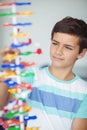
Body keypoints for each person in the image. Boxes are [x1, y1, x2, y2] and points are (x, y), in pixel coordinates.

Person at [0, 16, 87, 130]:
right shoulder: (32, 76)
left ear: (81, 53)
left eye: (68, 47)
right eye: (55, 43)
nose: (58, 51)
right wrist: (7, 70)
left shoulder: (84, 91)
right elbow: (2, 104)